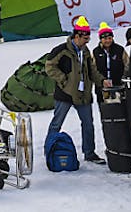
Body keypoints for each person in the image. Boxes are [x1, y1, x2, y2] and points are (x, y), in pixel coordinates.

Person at [44, 16, 109, 165]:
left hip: (84, 94)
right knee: (57, 123)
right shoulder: (61, 50)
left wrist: (101, 81)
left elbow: (92, 70)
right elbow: (49, 66)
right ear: (77, 36)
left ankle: (89, 153)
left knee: (88, 124)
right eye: (85, 38)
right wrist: (64, 80)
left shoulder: (86, 52)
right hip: (65, 94)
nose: (87, 41)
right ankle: (50, 150)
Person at [92, 23, 128, 101]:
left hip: (118, 85)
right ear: (101, 39)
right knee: (105, 110)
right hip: (102, 87)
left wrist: (124, 78)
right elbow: (93, 69)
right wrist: (101, 80)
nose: (108, 41)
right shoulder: (96, 52)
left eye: (109, 38)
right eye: (105, 39)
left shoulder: (119, 50)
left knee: (120, 110)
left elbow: (127, 64)